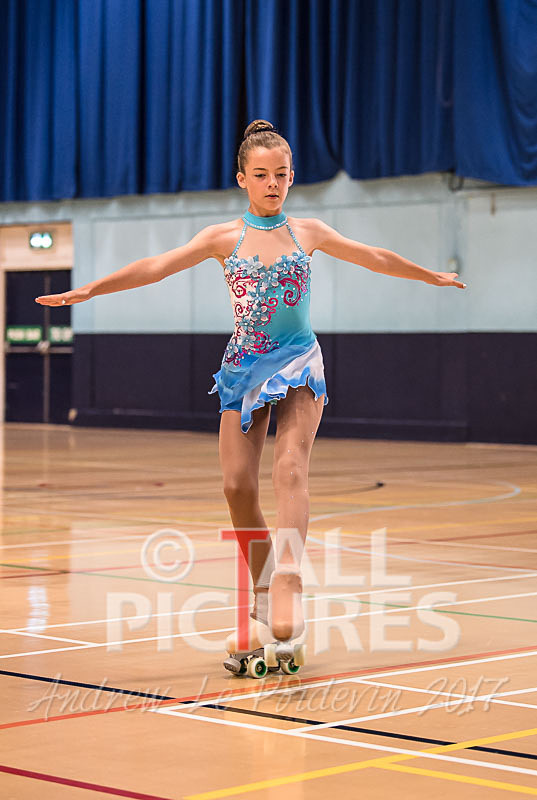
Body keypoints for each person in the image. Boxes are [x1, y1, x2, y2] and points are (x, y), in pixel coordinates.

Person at [35, 119, 466, 671]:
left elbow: (373, 255)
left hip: (299, 363)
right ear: (242, 178)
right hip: (243, 367)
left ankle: (288, 583)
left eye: (281, 175)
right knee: (237, 487)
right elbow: (155, 267)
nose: (272, 184)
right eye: (261, 175)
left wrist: (429, 275)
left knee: (291, 469)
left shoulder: (307, 232)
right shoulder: (223, 238)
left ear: (291, 178)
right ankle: (265, 586)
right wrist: (92, 288)